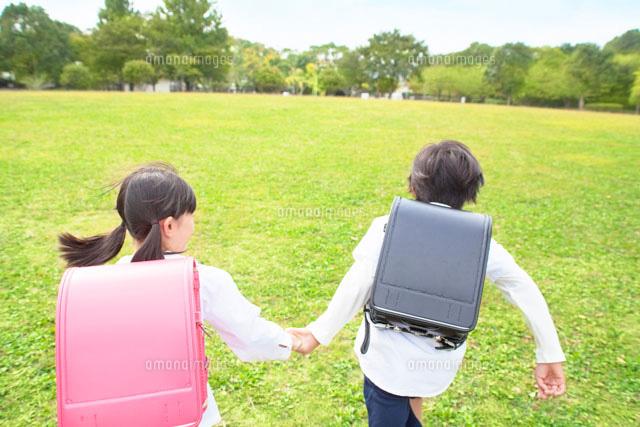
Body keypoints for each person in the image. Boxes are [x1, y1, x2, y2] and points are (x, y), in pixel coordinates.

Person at [288, 140, 567, 427]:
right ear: (470, 193)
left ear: (413, 186)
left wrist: (317, 334)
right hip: (435, 365)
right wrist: (549, 354)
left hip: (386, 366)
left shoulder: (385, 226)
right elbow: (522, 288)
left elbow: (358, 283)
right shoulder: (481, 242)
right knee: (412, 402)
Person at [58, 163, 302, 426]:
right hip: (183, 415)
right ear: (170, 226)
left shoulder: (103, 282)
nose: (194, 225)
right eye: (191, 216)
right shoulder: (203, 280)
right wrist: (293, 341)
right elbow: (251, 337)